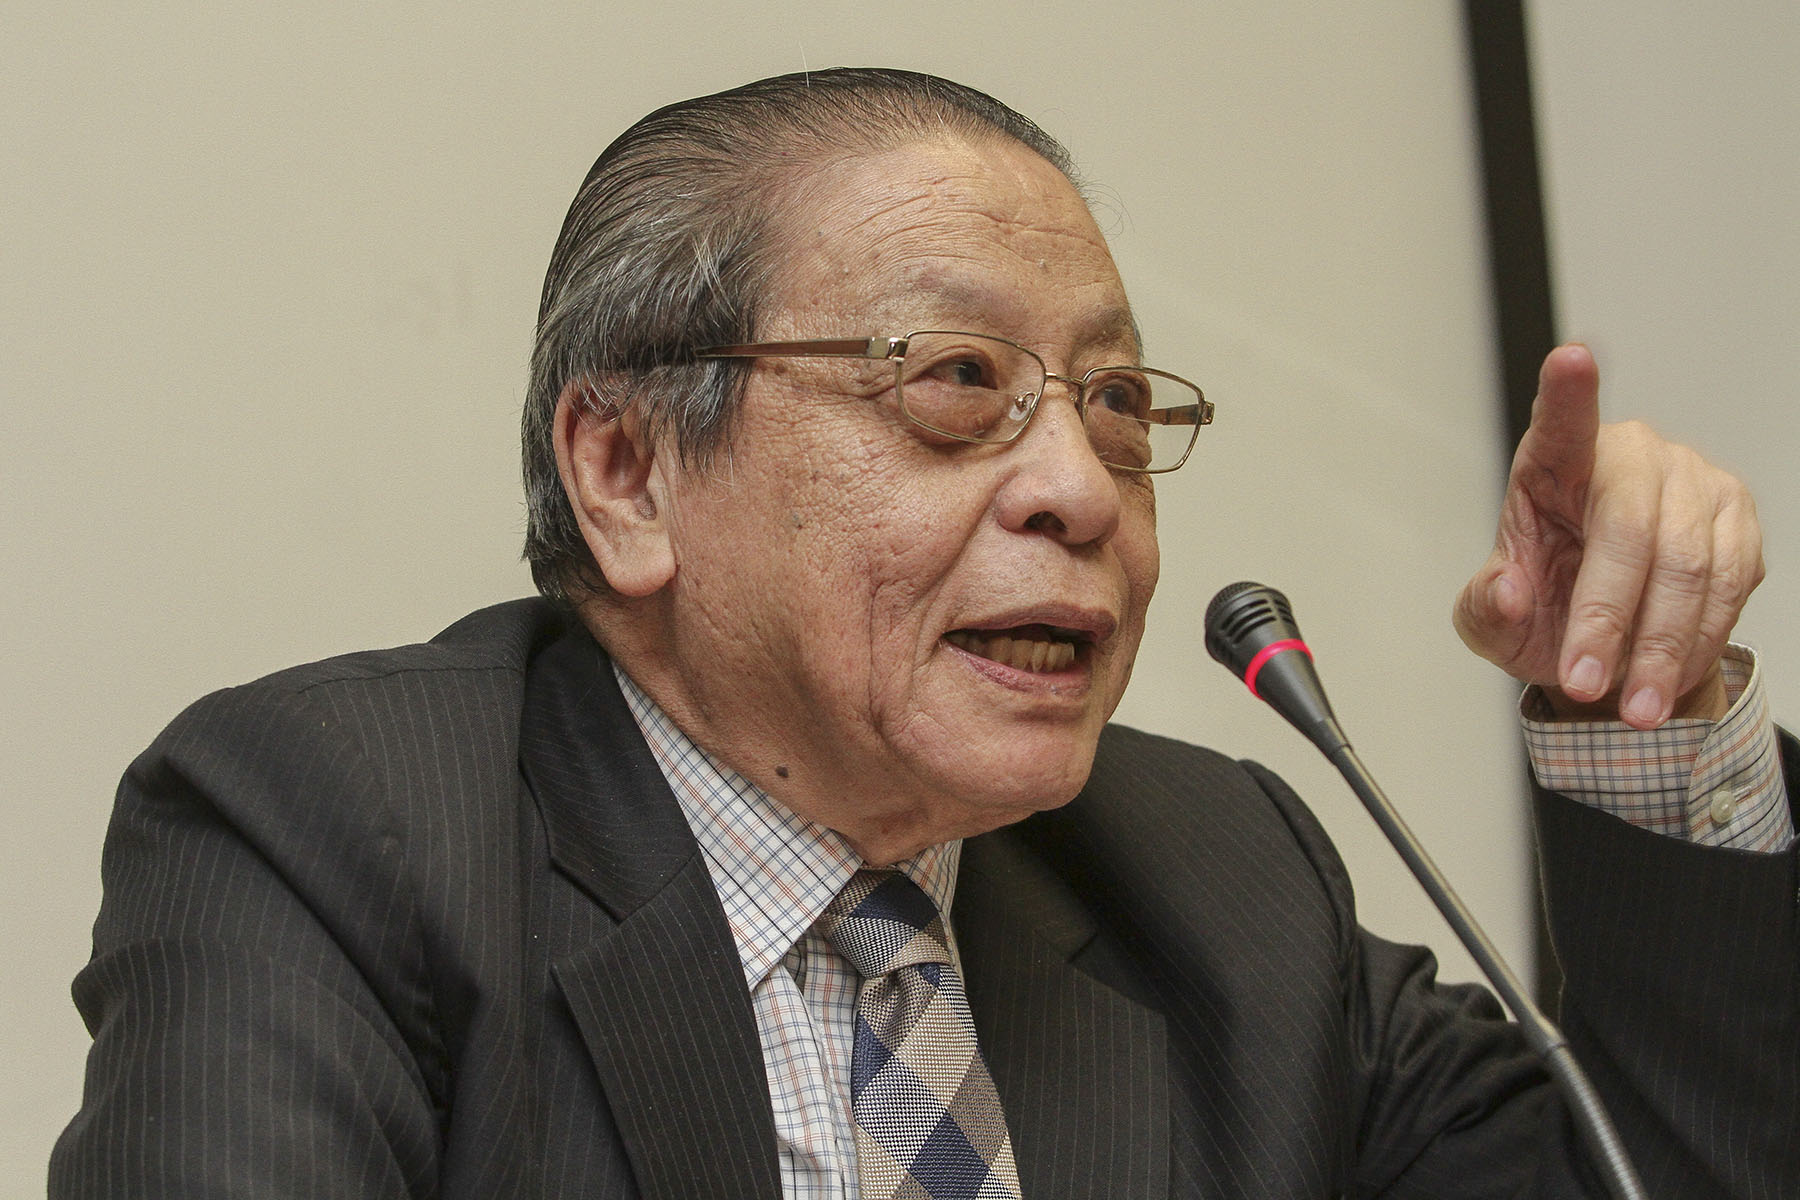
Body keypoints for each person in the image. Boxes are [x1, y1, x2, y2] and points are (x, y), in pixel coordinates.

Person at [52, 68, 1797, 1198]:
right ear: (629, 467)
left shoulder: (1218, 882)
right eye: (958, 383)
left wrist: (1641, 714)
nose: (1082, 489)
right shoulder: (335, 831)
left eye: (1117, 402)